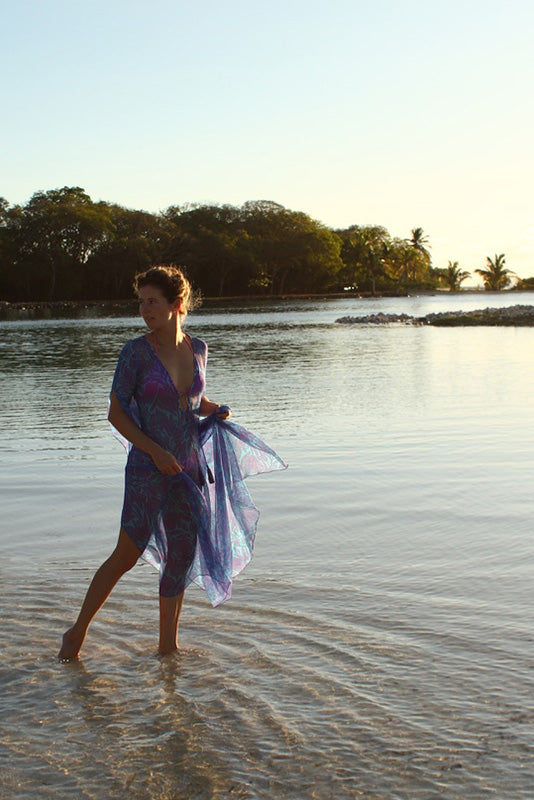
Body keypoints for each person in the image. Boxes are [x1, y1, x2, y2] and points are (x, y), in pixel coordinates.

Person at [58, 265, 285, 660]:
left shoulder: (197, 348)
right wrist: (154, 452)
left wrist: (215, 410)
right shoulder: (135, 353)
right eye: (141, 302)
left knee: (181, 555)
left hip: (187, 469)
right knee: (125, 556)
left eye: (153, 302)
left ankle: (167, 649)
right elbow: (116, 413)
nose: (145, 310)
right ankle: (76, 634)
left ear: (176, 305)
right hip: (148, 470)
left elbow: (192, 403)